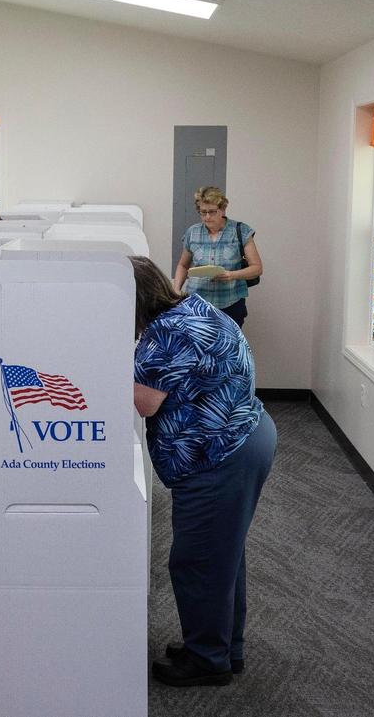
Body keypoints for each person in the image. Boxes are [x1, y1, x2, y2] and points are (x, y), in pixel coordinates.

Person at [130, 255, 276, 687]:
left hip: (220, 456)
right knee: (222, 554)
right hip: (245, 437)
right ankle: (223, 646)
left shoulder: (165, 335)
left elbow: (144, 402)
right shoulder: (189, 307)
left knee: (197, 561)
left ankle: (207, 659)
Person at [173, 186, 263, 328]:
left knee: (227, 348)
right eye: (203, 212)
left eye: (212, 212)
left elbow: (257, 268)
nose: (207, 217)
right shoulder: (193, 232)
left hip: (230, 304)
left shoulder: (240, 231)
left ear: (223, 209)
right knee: (197, 348)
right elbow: (183, 265)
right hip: (197, 304)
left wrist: (232, 275)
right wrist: (177, 290)